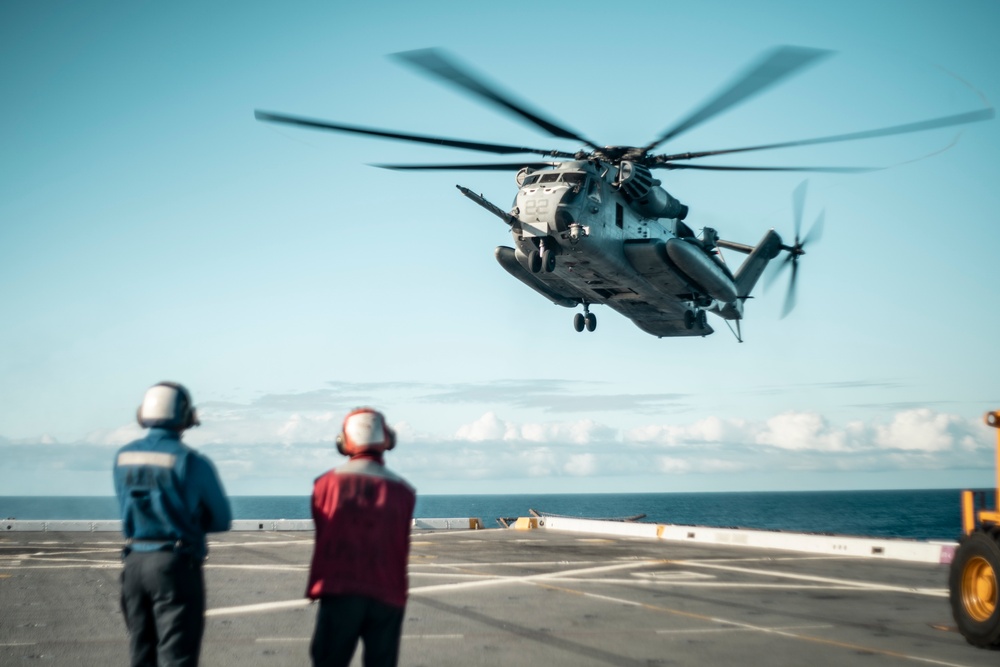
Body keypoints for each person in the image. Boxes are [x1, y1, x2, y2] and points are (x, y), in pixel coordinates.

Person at [113, 381, 232, 667]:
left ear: (143, 413)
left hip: (134, 563)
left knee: (141, 651)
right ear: (185, 416)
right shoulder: (191, 461)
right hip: (174, 565)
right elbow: (221, 519)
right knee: (176, 655)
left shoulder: (123, 456)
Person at [307, 407, 417, 667]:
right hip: (388, 592)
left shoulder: (325, 485)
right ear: (387, 439)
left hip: (339, 589)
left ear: (343, 442)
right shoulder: (404, 492)